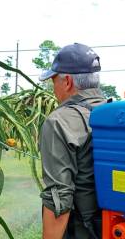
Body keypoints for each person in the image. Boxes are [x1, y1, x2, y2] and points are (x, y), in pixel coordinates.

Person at [39, 43, 105, 239]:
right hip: (124, 228)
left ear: (67, 81)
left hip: (84, 231)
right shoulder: (118, 114)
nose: (53, 89)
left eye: (54, 82)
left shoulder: (60, 121)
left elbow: (58, 198)